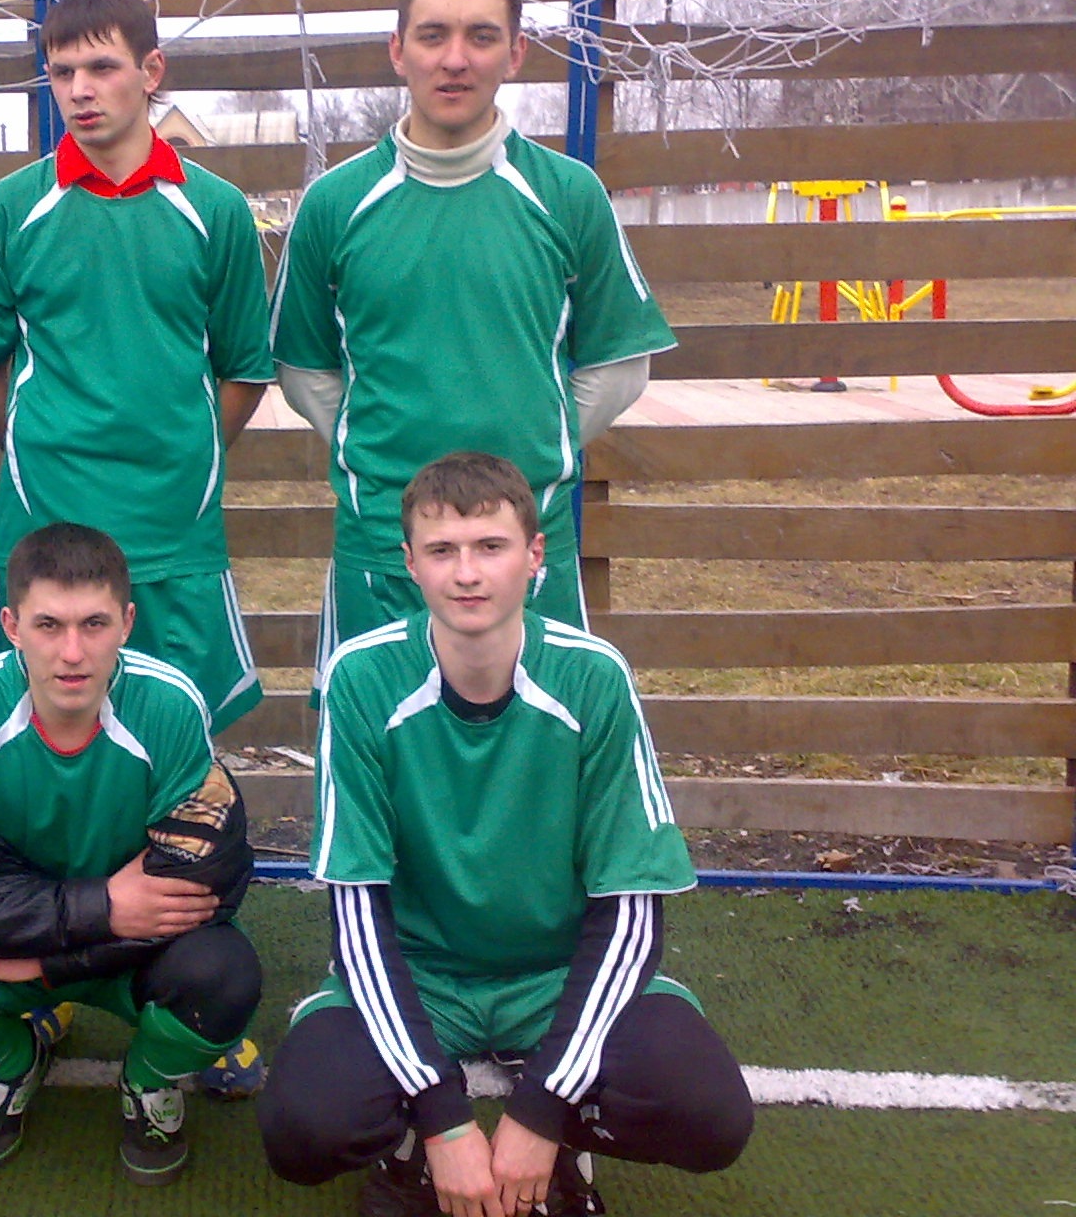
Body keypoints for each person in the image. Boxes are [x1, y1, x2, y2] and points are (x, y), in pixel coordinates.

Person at [257, 454, 751, 1216]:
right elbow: (356, 910)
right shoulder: (362, 678)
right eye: (442, 550)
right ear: (410, 564)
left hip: (556, 973)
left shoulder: (593, 678)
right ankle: (409, 1155)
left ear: (535, 555)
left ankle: (566, 1148)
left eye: (490, 546)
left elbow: (632, 907)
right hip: (421, 973)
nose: (467, 573)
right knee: (303, 1127)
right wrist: (441, 1116)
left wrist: (543, 1109)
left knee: (709, 1116)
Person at [0, 0, 273, 1096]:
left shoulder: (215, 211)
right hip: (43, 539)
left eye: (101, 67)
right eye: (61, 72)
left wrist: (178, 464)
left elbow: (243, 370)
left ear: (151, 72)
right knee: (23, 756)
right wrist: (46, 461)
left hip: (172, 544)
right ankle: (31, 980)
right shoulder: (11, 209)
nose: (81, 90)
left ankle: (191, 991)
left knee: (188, 767)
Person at [271, 0, 675, 668]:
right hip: (382, 552)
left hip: (526, 552)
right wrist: (381, 451)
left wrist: (529, 456)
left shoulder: (567, 195)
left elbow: (618, 365)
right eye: (432, 36)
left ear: (515, 54)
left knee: (539, 734)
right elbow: (306, 372)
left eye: (481, 37)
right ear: (398, 51)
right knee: (375, 732)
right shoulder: (335, 204)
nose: (454, 59)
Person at [0, 522, 262, 1187]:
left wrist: (45, 964)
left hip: (87, 949)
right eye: (49, 625)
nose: (72, 652)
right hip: (50, 938)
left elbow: (209, 876)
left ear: (126, 622)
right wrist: (103, 906)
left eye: (94, 624)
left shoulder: (169, 705)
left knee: (225, 977)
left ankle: (147, 1080)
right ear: (12, 626)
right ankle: (11, 1057)